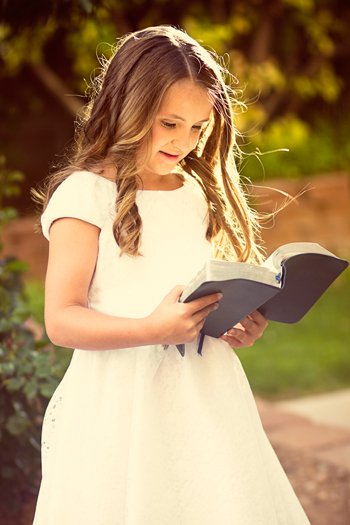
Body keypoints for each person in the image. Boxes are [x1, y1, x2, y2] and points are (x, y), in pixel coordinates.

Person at [32, 25, 310, 524]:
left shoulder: (195, 192)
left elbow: (196, 294)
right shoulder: (85, 196)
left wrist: (234, 321)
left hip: (206, 396)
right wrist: (150, 330)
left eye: (199, 128)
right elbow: (61, 319)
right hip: (122, 406)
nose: (184, 142)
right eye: (169, 124)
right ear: (127, 108)